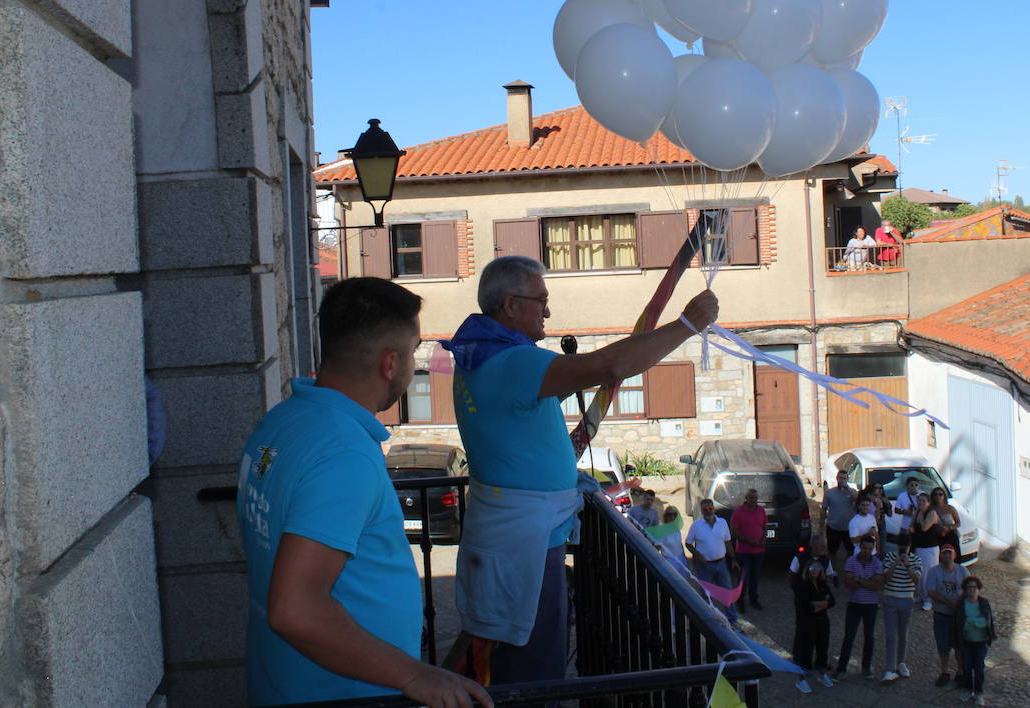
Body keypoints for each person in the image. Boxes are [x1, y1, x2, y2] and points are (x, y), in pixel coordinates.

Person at [445, 255, 719, 686]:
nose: (548, 312)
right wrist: (687, 324)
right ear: (512, 305)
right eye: (541, 301)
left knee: (501, 646)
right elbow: (608, 367)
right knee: (530, 669)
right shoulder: (514, 363)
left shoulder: (483, 356)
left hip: (517, 530)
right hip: (525, 538)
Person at [236, 278, 492, 707]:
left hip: (287, 684)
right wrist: (414, 675)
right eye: (413, 352)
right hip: (343, 694)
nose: (414, 364)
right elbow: (294, 608)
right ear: (390, 363)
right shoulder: (342, 452)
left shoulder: (286, 419)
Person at [833, 536, 884, 680]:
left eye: (870, 548)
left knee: (869, 637)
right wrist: (868, 582)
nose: (867, 551)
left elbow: (878, 585)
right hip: (854, 604)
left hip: (870, 606)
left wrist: (859, 580)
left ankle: (866, 667)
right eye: (865, 548)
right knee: (849, 637)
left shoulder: (877, 563)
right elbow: (848, 583)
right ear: (860, 547)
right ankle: (841, 668)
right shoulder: (851, 561)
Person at [789, 543, 836, 692]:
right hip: (807, 622)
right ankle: (802, 678)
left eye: (817, 569)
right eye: (812, 569)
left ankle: (821, 672)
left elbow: (832, 601)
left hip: (822, 621)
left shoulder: (822, 584)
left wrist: (819, 605)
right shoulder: (803, 585)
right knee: (806, 649)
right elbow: (807, 606)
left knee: (823, 647)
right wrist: (823, 603)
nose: (815, 571)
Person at [686, 498, 738, 621]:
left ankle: (732, 620)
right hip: (704, 566)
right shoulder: (696, 526)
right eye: (705, 509)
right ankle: (709, 620)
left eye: (710, 508)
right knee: (706, 594)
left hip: (721, 563)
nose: (708, 511)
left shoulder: (723, 523)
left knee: (727, 592)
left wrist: (733, 559)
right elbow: (688, 543)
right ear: (702, 511)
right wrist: (698, 555)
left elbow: (728, 542)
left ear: (713, 509)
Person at [925, 545, 970, 687]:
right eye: (944, 554)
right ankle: (944, 671)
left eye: (950, 554)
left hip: (959, 616)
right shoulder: (934, 572)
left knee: (960, 646)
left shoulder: (963, 571)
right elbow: (931, 591)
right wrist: (947, 601)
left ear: (954, 555)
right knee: (943, 646)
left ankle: (961, 671)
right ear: (940, 556)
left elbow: (970, 589)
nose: (947, 556)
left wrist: (958, 602)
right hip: (942, 615)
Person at [880, 540, 922, 682]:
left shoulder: (916, 559)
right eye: (901, 546)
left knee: (903, 633)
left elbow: (916, 580)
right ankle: (890, 668)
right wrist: (896, 563)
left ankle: (901, 663)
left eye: (906, 546)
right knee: (891, 635)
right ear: (898, 546)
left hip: (906, 599)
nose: (903, 549)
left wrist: (907, 565)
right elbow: (886, 579)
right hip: (890, 598)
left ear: (910, 546)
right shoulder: (889, 557)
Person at [951, 576, 996, 705]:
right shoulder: (961, 605)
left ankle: (979, 692)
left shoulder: (983, 603)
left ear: (978, 589)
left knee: (979, 669)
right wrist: (974, 622)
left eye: (974, 587)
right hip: (966, 641)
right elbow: (959, 624)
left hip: (981, 642)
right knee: (966, 668)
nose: (972, 590)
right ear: (965, 590)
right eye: (969, 588)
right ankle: (967, 689)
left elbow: (985, 622)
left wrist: (972, 622)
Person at [730, 488, 768, 612]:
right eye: (751, 498)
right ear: (746, 498)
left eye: (756, 498)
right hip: (743, 551)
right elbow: (734, 532)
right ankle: (740, 600)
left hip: (758, 551)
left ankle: (754, 599)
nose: (754, 500)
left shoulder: (761, 511)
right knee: (743, 578)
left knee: (755, 577)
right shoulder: (738, 512)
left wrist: (763, 538)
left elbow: (764, 527)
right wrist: (750, 542)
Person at [821, 469, 858, 575]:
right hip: (833, 527)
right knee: (832, 551)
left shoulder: (852, 492)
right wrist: (821, 526)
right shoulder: (829, 493)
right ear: (837, 478)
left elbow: (858, 500)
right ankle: (834, 571)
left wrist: (849, 489)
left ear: (847, 479)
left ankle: (847, 567)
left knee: (851, 551)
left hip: (849, 528)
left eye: (845, 478)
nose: (842, 480)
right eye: (840, 478)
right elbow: (823, 509)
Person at [911, 492, 940, 609]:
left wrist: (921, 513)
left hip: (930, 548)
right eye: (919, 500)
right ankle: (921, 595)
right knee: (919, 572)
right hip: (919, 546)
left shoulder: (931, 513)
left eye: (924, 501)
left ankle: (929, 599)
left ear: (928, 502)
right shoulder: (917, 512)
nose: (921, 503)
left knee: (928, 573)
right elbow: (912, 526)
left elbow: (924, 528)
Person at [930, 486, 963, 558]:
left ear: (944, 496)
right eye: (935, 494)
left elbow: (958, 523)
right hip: (937, 536)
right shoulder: (931, 509)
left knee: (954, 556)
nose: (938, 496)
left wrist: (949, 528)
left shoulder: (950, 508)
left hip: (951, 535)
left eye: (940, 494)